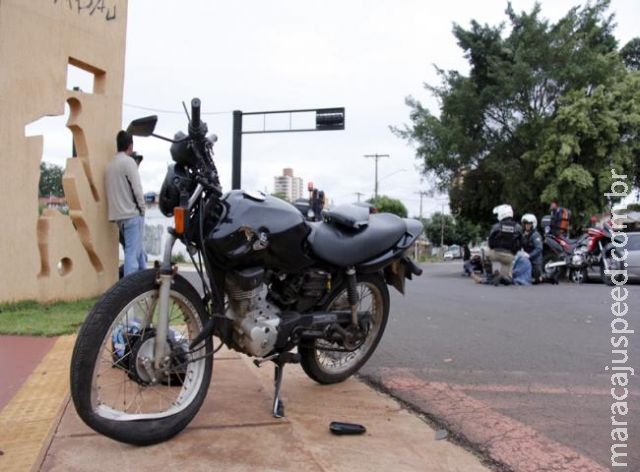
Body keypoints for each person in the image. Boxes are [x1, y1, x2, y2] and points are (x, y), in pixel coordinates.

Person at [105, 130, 146, 277]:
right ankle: (129, 291)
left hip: (118, 216)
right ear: (130, 146)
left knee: (139, 252)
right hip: (131, 214)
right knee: (132, 254)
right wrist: (142, 209)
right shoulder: (129, 162)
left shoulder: (110, 165)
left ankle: (145, 282)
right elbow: (137, 189)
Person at [485, 204, 522, 286]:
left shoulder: (496, 227)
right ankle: (504, 277)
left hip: (496, 254)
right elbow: (521, 242)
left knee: (485, 253)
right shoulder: (518, 227)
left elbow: (490, 242)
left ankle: (489, 277)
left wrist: (494, 248)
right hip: (509, 257)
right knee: (505, 276)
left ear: (501, 213)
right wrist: (514, 252)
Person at [521, 213, 543, 283]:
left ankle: (543, 277)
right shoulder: (523, 234)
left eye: (529, 224)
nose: (527, 226)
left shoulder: (535, 235)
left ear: (533, 224)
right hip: (525, 260)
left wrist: (529, 255)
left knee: (535, 278)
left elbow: (539, 248)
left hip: (534, 262)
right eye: (525, 224)